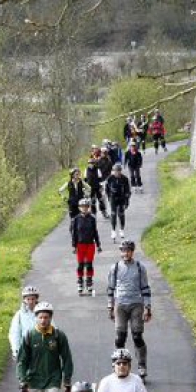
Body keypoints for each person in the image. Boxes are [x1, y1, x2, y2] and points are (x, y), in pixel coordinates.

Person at [106, 239, 152, 379]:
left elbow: (145, 288)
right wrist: (110, 306)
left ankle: (142, 365)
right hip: (120, 305)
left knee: (137, 336)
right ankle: (119, 364)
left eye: (128, 250)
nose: (125, 253)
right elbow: (111, 288)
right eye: (123, 250)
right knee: (120, 338)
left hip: (136, 304)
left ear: (132, 252)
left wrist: (147, 307)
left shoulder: (139, 267)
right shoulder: (115, 268)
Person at [70, 196, 102, 295]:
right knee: (80, 265)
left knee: (89, 264)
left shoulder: (92, 218)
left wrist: (98, 244)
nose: (84, 208)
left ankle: (89, 282)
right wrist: (74, 246)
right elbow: (74, 233)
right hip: (80, 244)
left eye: (86, 206)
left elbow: (95, 232)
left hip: (90, 244)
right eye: (82, 206)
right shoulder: (76, 219)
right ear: (79, 208)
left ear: (88, 207)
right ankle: (80, 282)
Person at [8, 285, 39, 361]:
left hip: (41, 349)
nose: (31, 302)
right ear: (24, 300)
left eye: (33, 299)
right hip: (26, 349)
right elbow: (15, 333)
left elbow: (52, 328)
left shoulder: (42, 312)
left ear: (36, 299)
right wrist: (16, 350)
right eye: (28, 299)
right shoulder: (19, 315)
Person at [104, 162, 131, 241]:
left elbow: (128, 190)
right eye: (116, 171)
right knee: (113, 214)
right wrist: (109, 197)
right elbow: (107, 189)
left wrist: (127, 200)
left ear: (121, 171)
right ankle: (113, 230)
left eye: (119, 171)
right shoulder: (110, 178)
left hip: (122, 198)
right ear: (113, 171)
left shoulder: (125, 179)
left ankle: (121, 229)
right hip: (113, 198)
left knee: (121, 214)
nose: (117, 172)